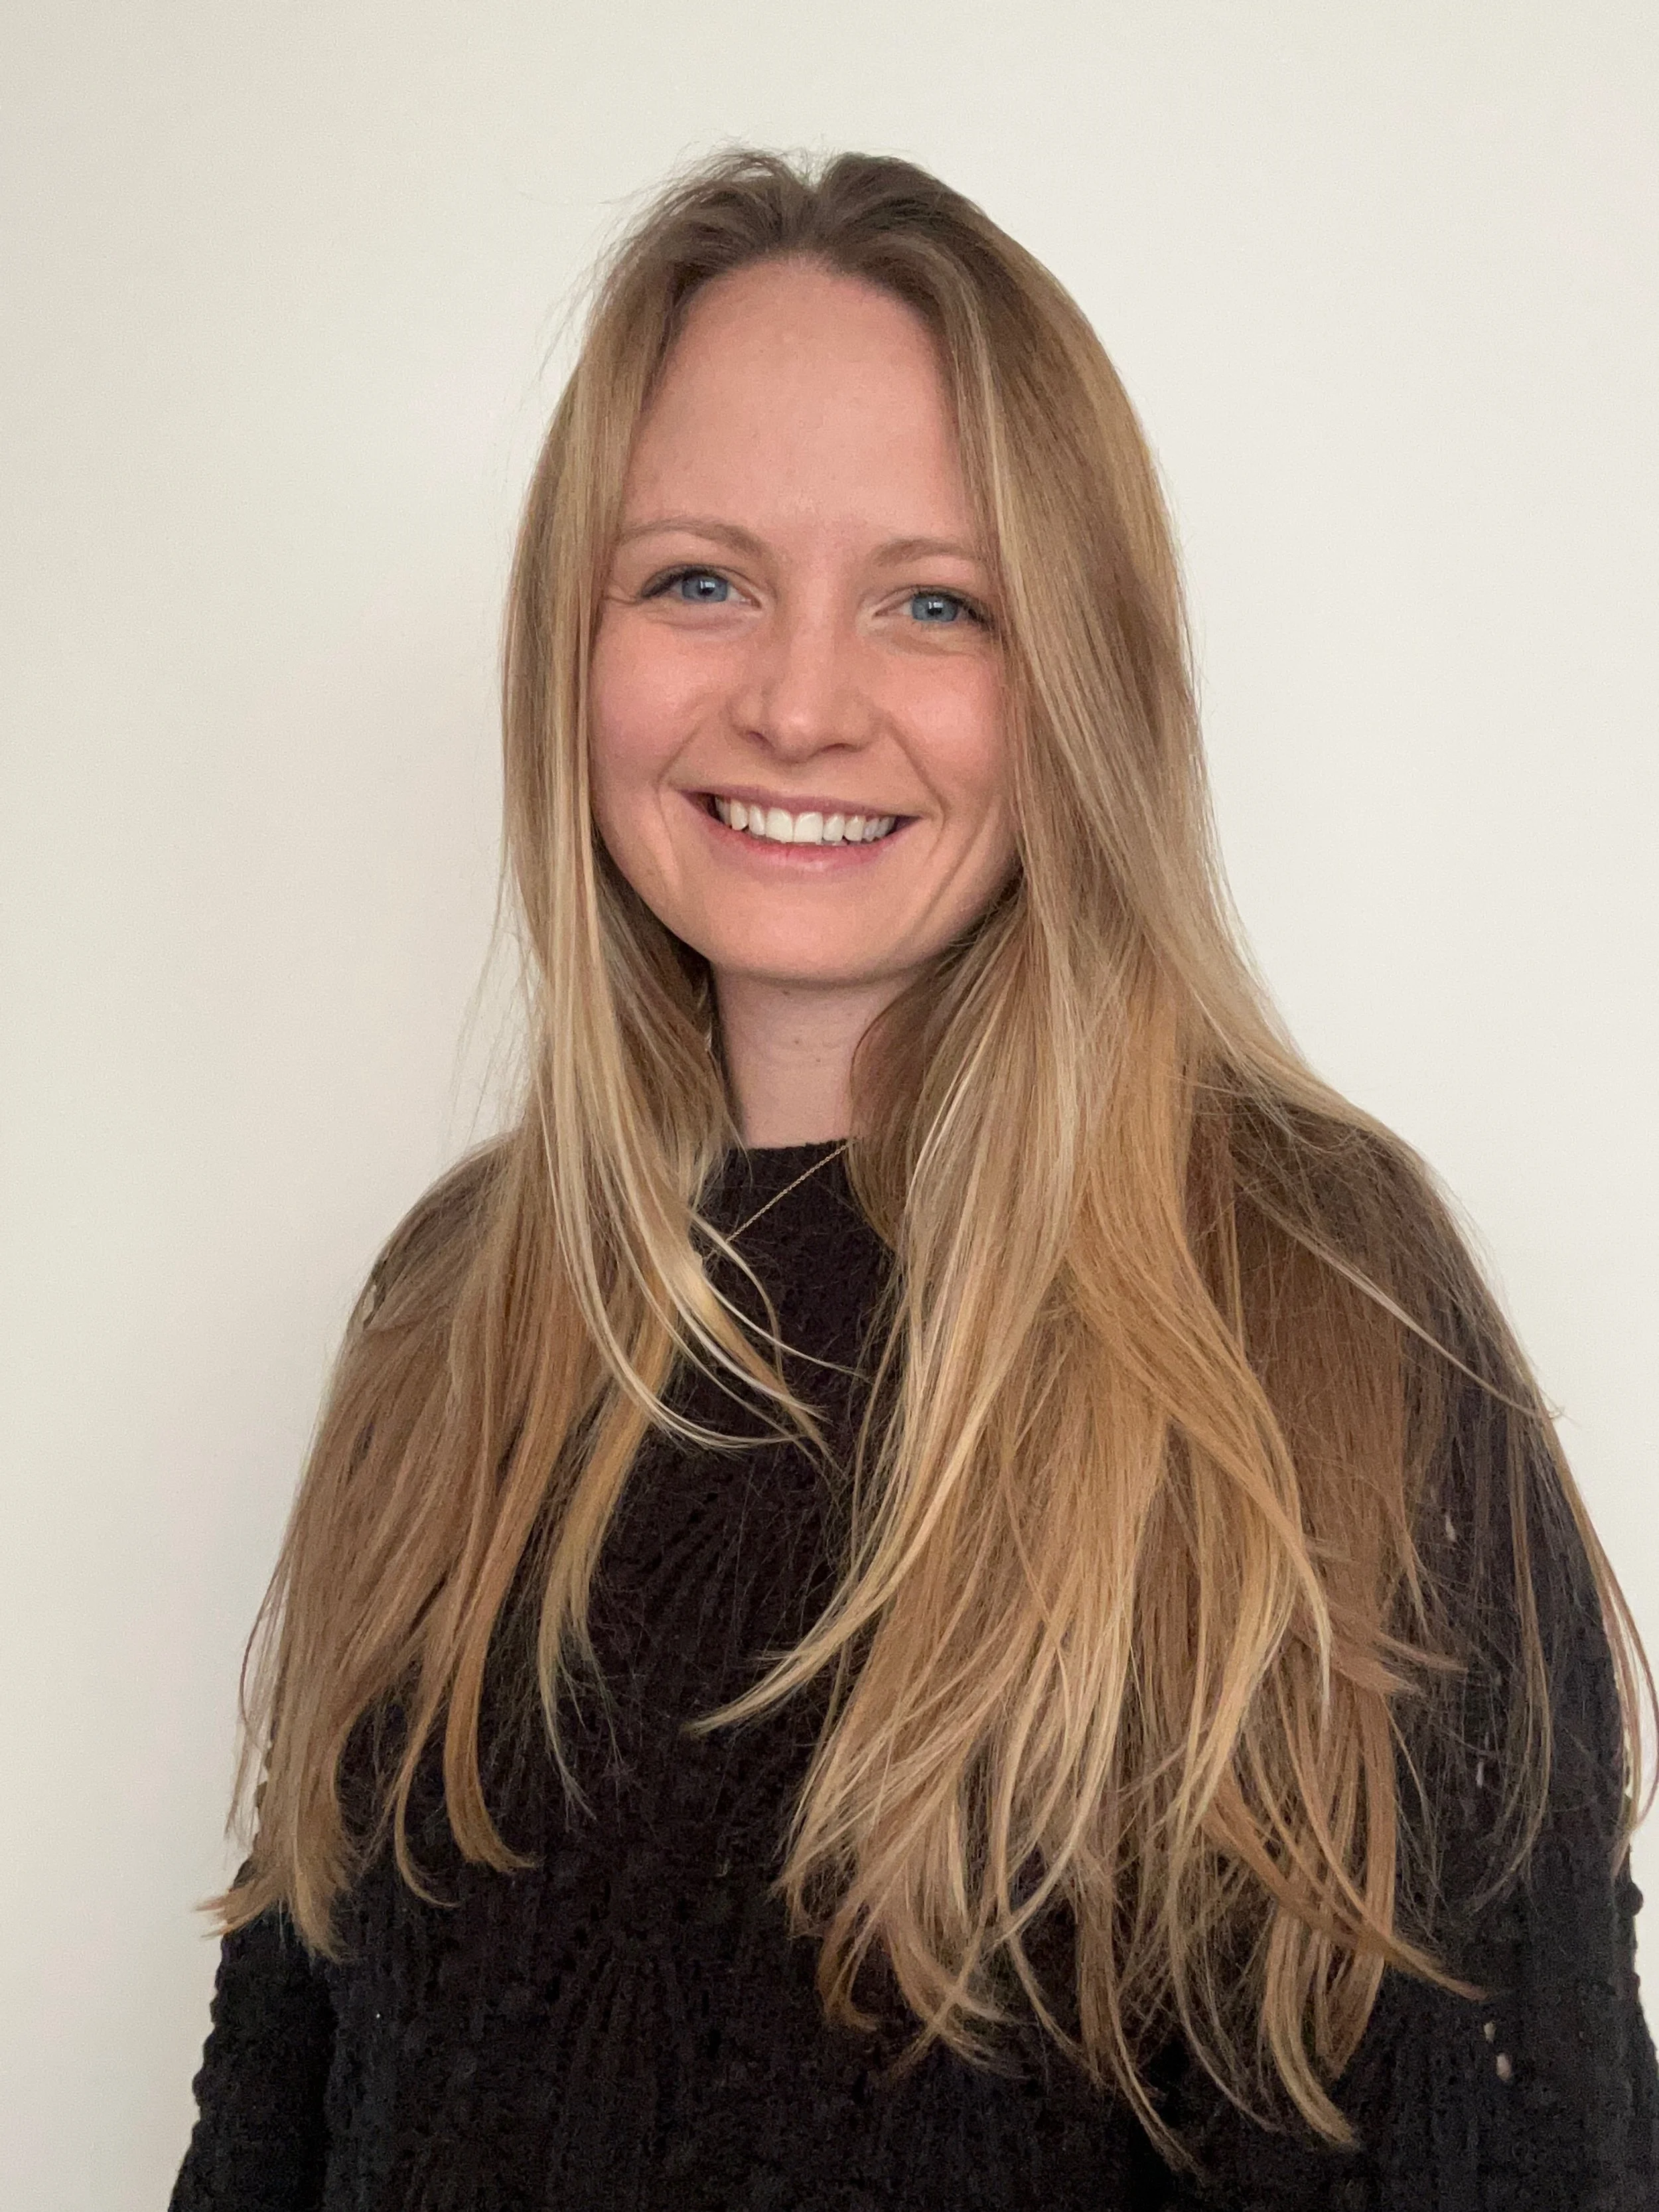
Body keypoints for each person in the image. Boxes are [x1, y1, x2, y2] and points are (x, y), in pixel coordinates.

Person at [170, 148, 1658, 2211]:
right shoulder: (459, 1308)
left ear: (1084, 688)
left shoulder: (1313, 1300)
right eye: (696, 577)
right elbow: (278, 2120)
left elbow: (1521, 2149)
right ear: (568, 645)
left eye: (933, 602)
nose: (796, 698)